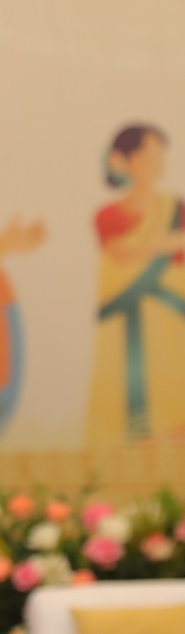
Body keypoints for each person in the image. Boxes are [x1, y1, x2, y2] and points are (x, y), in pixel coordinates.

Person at [86, 123, 185, 445]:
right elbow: (118, 255)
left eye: (160, 156)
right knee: (130, 400)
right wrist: (168, 243)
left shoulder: (177, 210)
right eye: (147, 156)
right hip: (126, 322)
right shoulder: (108, 215)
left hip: (172, 321)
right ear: (122, 161)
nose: (156, 163)